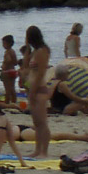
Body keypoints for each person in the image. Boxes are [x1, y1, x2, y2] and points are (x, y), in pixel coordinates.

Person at [22, 25, 52, 158]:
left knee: (42, 122)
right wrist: (27, 49)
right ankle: (37, 149)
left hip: (39, 89)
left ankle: (44, 151)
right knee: (36, 123)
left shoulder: (42, 51)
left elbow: (41, 73)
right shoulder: (34, 52)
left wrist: (33, 91)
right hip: (32, 88)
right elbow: (25, 65)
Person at [0, 34, 20, 104]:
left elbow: (9, 60)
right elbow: (16, 62)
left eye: (4, 43)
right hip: (12, 71)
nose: (3, 45)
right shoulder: (12, 51)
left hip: (7, 72)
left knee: (7, 89)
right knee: (12, 88)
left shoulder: (8, 52)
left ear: (9, 43)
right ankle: (14, 101)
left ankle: (7, 102)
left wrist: (4, 64)